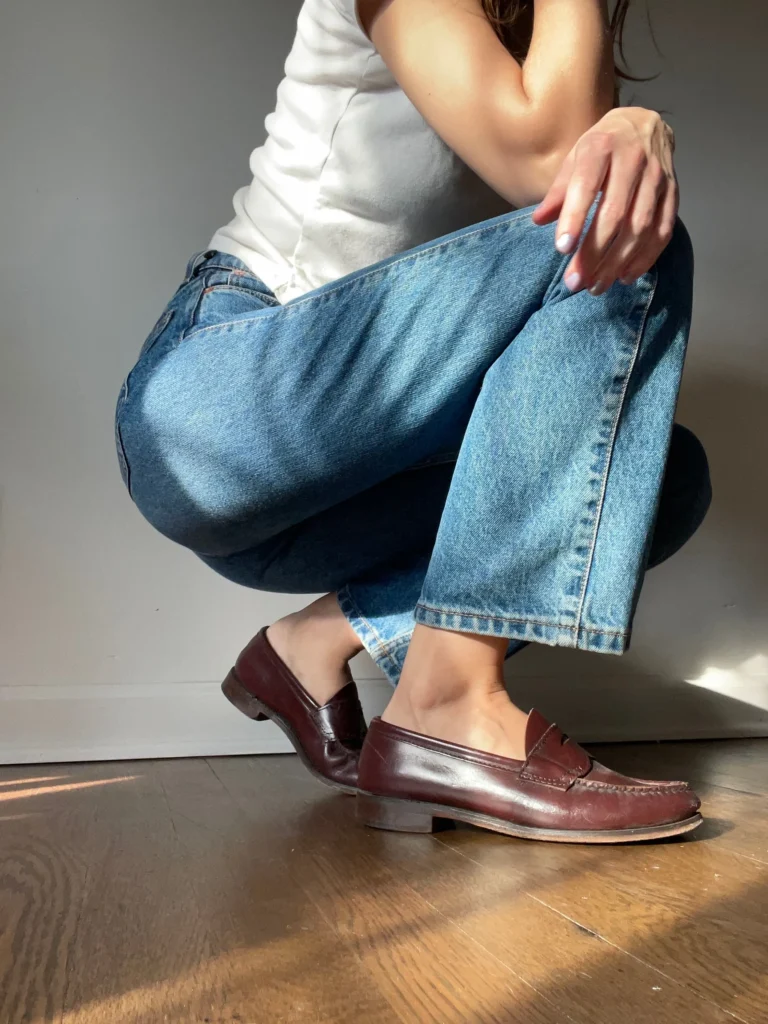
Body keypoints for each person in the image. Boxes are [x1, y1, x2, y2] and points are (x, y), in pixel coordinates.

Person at [114, 0, 712, 843]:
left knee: (659, 479)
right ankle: (450, 708)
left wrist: (634, 125)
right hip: (222, 396)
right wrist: (632, 126)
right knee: (616, 238)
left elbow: (576, 155)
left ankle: (314, 645)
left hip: (342, 482)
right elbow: (559, 169)